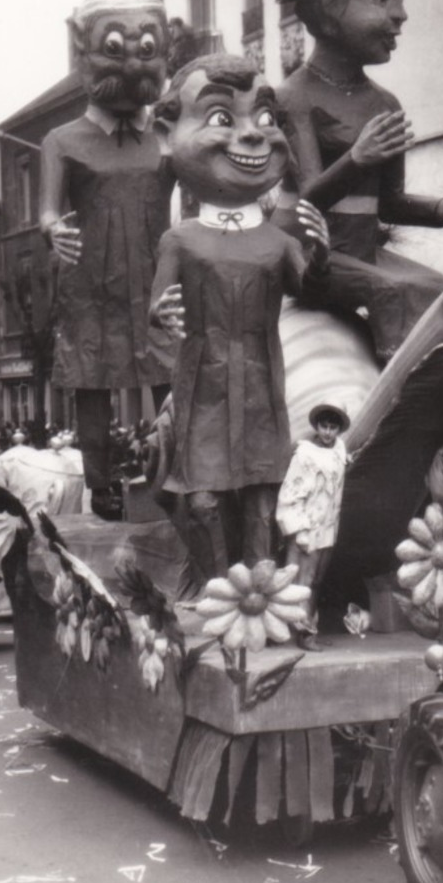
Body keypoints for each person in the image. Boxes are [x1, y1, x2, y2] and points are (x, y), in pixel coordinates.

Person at [149, 53, 329, 580]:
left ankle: (260, 595)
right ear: (167, 136)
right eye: (223, 119)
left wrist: (319, 257)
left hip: (260, 384)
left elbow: (309, 290)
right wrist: (164, 316)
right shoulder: (179, 239)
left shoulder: (278, 240)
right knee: (203, 501)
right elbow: (157, 316)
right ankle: (215, 592)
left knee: (261, 501)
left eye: (267, 120)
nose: (253, 136)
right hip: (202, 384)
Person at [274, 0, 443, 363]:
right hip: (307, 254)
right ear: (328, 8)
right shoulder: (294, 97)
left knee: (439, 290)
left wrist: (441, 210)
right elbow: (308, 199)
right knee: (391, 290)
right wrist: (356, 159)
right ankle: (387, 404)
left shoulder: (384, 104)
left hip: (361, 252)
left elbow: (388, 204)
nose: (400, 15)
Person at [39, 0, 176, 519]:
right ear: (82, 47)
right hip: (90, 283)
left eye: (147, 49)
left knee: (168, 371)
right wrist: (53, 230)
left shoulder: (168, 134)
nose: (131, 66)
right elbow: (47, 211)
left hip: (156, 275)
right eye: (114, 48)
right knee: (92, 380)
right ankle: (102, 485)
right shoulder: (63, 141)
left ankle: (173, 470)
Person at [275, 403, 351, 648]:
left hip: (327, 529)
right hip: (307, 528)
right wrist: (300, 530)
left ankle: (308, 627)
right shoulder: (305, 455)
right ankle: (304, 634)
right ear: (316, 427)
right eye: (324, 427)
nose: (328, 432)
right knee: (302, 583)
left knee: (317, 581)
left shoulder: (339, 450)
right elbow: (290, 494)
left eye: (333, 427)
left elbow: (339, 465)